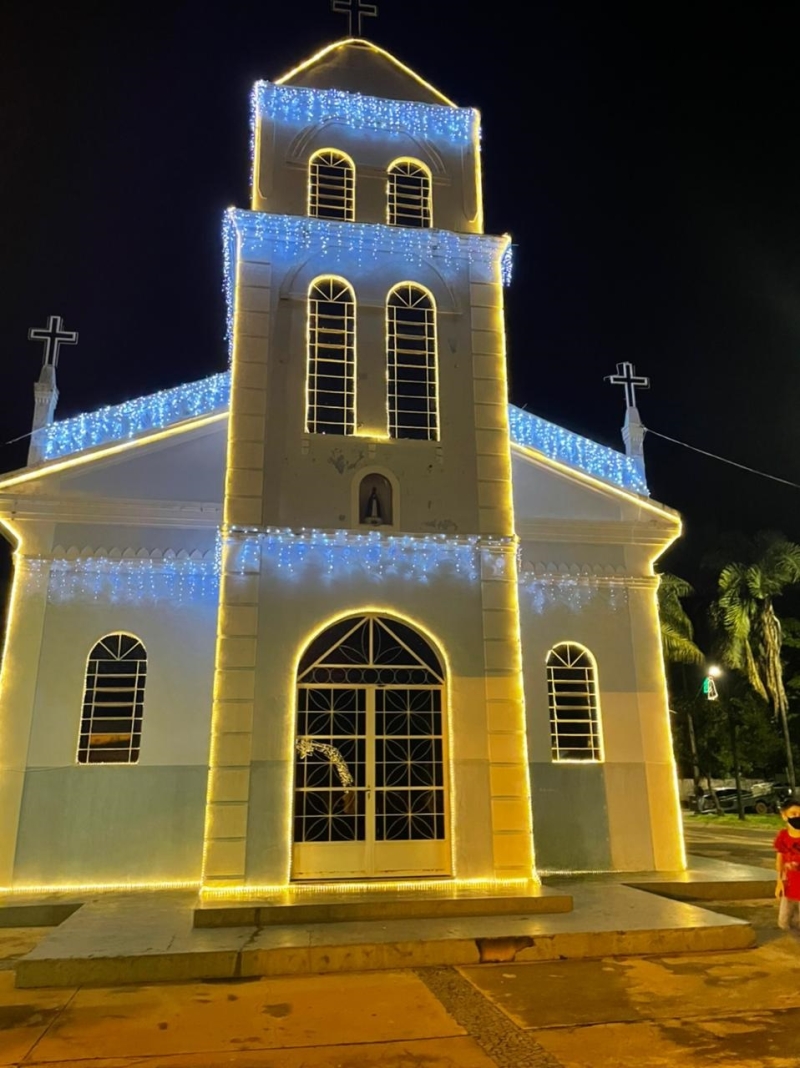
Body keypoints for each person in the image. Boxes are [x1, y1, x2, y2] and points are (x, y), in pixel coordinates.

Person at [774, 796, 800, 931]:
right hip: (789, 883)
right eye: (793, 814)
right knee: (784, 921)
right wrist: (779, 881)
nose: (797, 817)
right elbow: (779, 858)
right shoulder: (783, 836)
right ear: (784, 816)